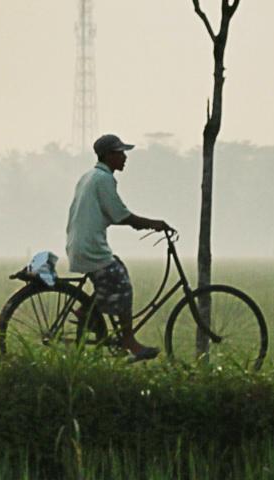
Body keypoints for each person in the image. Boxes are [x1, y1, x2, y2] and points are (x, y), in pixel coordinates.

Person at [67, 134, 174, 362]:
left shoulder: (90, 176)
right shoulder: (103, 179)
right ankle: (129, 340)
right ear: (108, 156)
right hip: (91, 248)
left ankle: (87, 310)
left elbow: (115, 215)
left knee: (117, 270)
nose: (124, 157)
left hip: (81, 244)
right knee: (122, 285)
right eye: (120, 153)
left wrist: (144, 224)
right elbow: (121, 215)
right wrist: (155, 224)